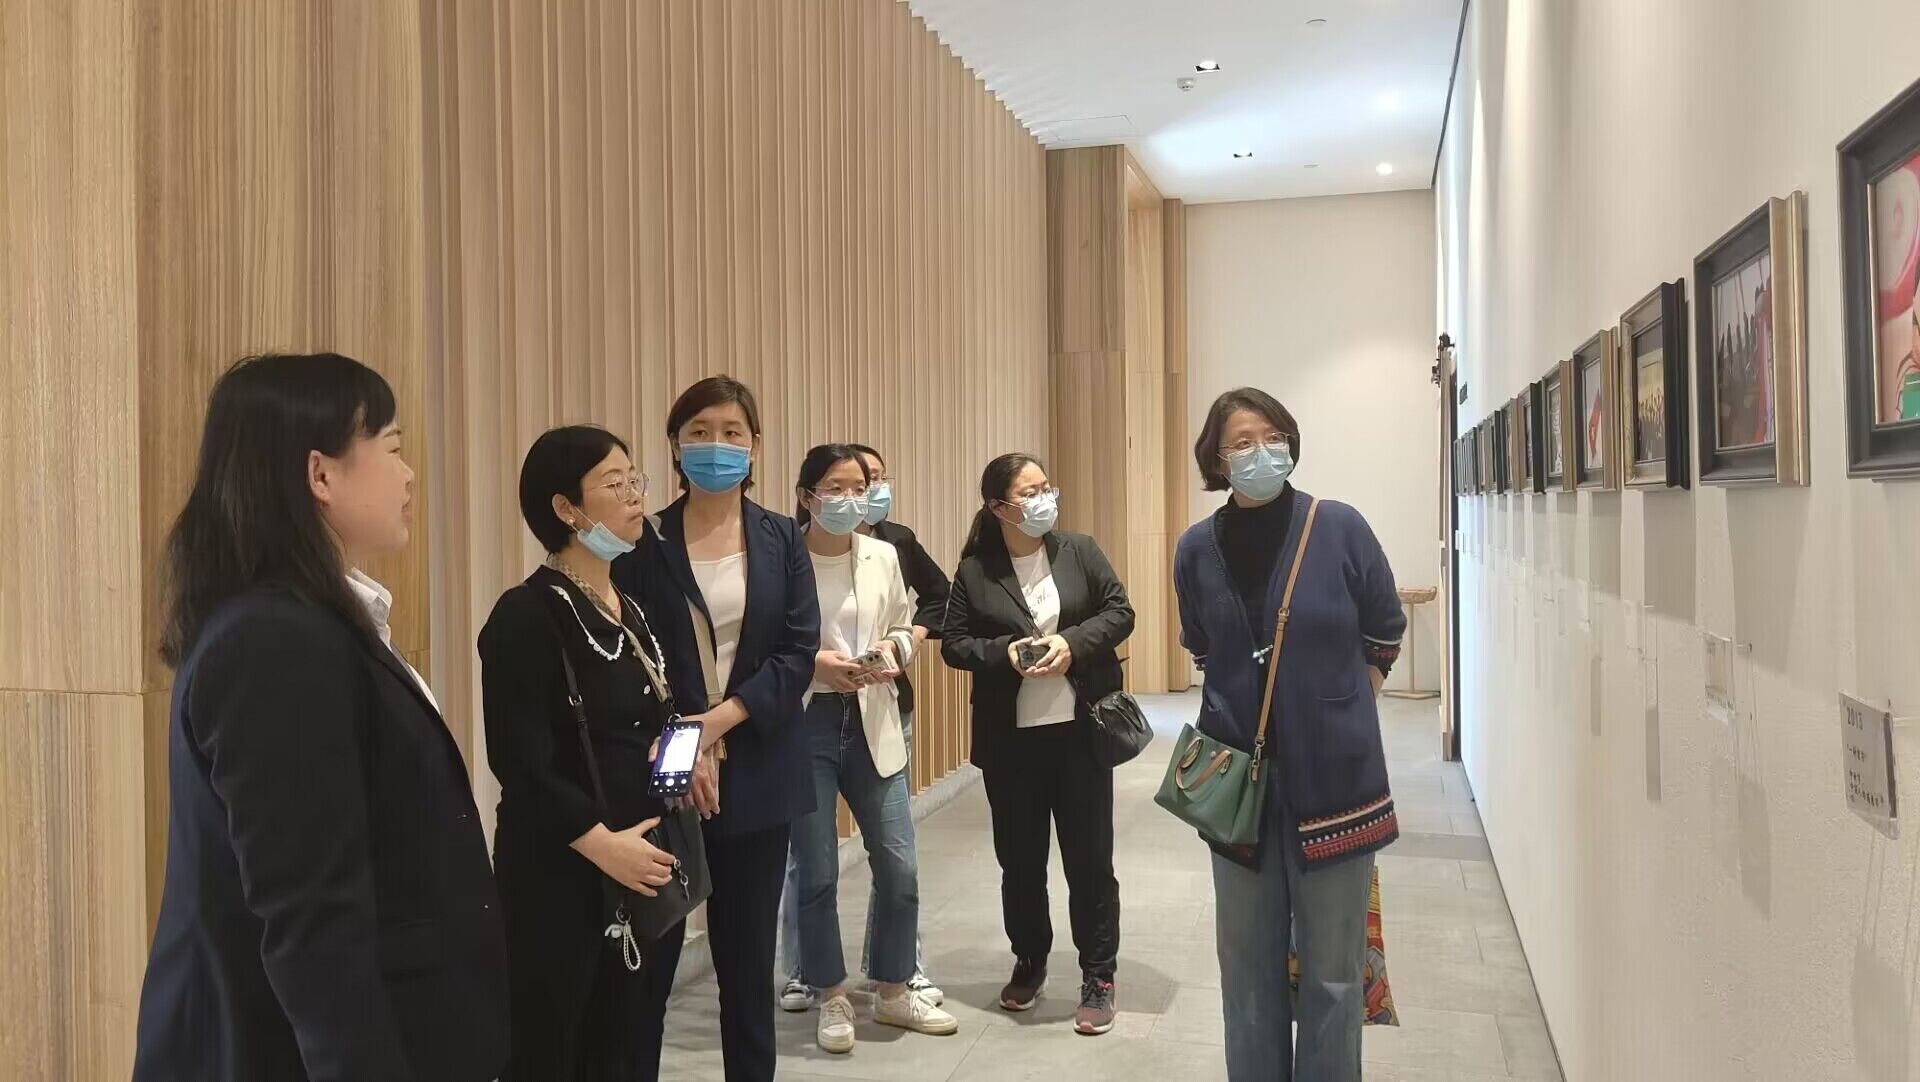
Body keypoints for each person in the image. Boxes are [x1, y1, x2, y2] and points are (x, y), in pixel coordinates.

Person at [135, 353, 507, 1081]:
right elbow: (313, 920)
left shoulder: (311, 622)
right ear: (320, 474)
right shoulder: (275, 640)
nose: (408, 476)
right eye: (393, 448)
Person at [1172, 387, 1406, 1082]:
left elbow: (1384, 628)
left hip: (1337, 784)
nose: (1260, 452)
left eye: (1272, 437)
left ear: (1292, 443)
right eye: (1242, 443)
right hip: (1235, 792)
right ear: (1217, 459)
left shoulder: (1339, 527)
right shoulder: (1196, 548)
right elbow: (1204, 646)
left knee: (1333, 975)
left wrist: (1341, 709)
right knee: (1246, 973)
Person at [478, 426, 717, 1080]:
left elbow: (650, 714)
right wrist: (602, 844)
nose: (635, 495)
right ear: (565, 509)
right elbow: (520, 763)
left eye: (635, 479)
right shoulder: (526, 615)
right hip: (562, 878)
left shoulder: (625, 606)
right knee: (554, 1048)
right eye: (615, 483)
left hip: (639, 870)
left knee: (627, 1042)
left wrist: (684, 754)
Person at [612, 376, 818, 1082]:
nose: (716, 445)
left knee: (747, 973)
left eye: (732, 432)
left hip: (759, 772)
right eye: (699, 432)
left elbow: (797, 651)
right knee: (648, 975)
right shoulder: (643, 539)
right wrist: (684, 741)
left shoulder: (782, 536)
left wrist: (719, 721)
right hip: (665, 781)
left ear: (755, 446)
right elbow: (630, 653)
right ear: (675, 445)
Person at [941, 453, 1135, 1036]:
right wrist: (1003, 653)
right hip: (1011, 745)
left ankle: (1098, 973)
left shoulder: (1080, 550)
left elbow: (1120, 612)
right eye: (1029, 492)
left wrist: (1071, 644)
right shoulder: (976, 570)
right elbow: (954, 643)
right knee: (1021, 864)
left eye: (1046, 487)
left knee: (1089, 862)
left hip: (1081, 735)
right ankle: (1029, 959)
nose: (1044, 499)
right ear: (999, 507)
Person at [785, 444, 959, 1053]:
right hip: (806, 719)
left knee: (898, 864)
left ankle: (892, 988)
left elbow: (903, 624)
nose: (850, 499)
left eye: (858, 488)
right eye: (835, 487)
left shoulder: (883, 554)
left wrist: (895, 651)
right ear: (806, 496)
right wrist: (815, 665)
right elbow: (764, 644)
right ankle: (830, 993)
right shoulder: (782, 556)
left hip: (873, 716)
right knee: (817, 870)